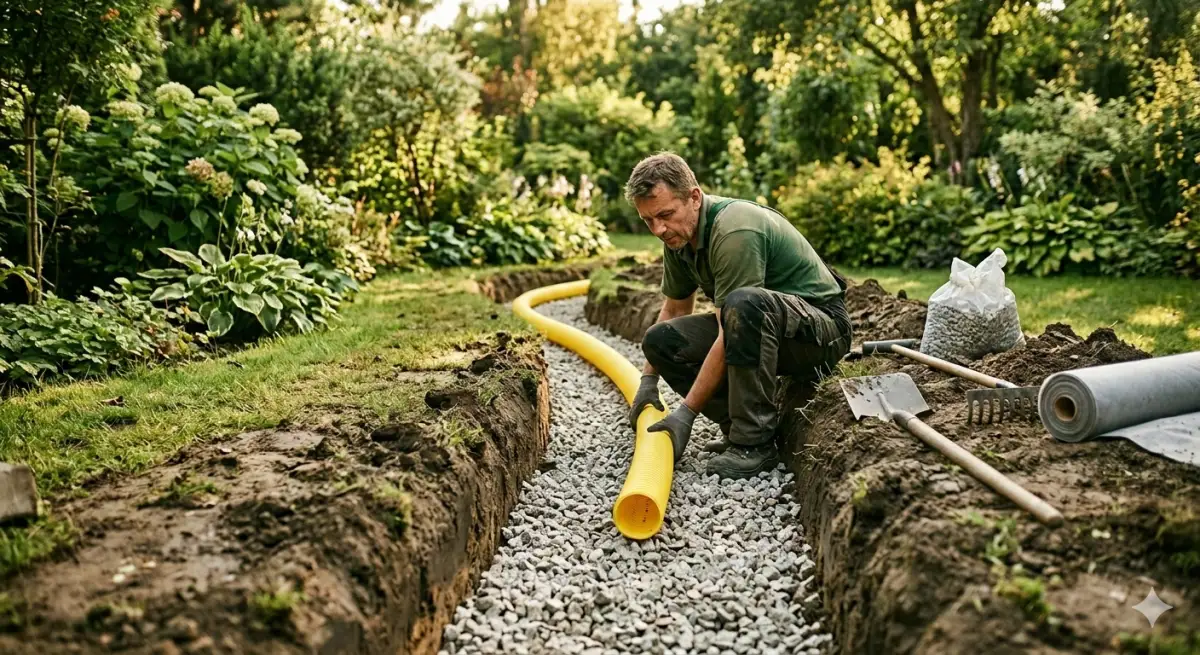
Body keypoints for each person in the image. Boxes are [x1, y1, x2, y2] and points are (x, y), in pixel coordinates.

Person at [624, 153, 853, 479]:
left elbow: (728, 330)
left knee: (742, 304)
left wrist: (686, 413)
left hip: (820, 332)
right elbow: (675, 308)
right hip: (766, 327)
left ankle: (754, 443)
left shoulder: (734, 231)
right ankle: (737, 428)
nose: (658, 229)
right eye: (648, 220)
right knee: (661, 341)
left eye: (665, 215)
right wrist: (648, 382)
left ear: (694, 197)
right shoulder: (677, 236)